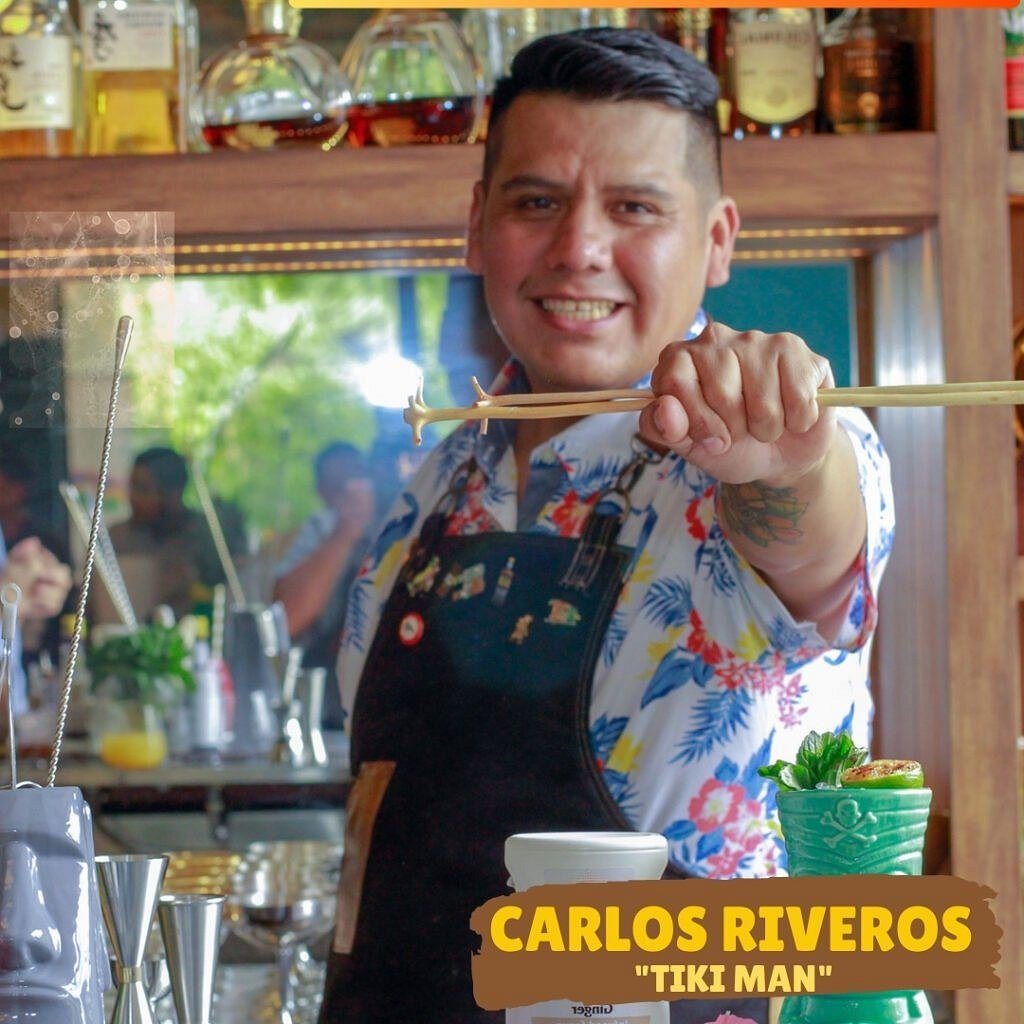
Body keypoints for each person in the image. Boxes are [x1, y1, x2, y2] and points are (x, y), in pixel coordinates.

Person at [320, 28, 893, 1024]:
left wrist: (786, 459)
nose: (579, 248)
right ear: (477, 227)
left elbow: (806, 528)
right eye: (536, 202)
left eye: (634, 207)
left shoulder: (770, 445)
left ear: (717, 240)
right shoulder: (436, 478)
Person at [271, 442, 376, 729]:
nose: (353, 490)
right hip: (324, 710)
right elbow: (286, 618)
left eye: (359, 475)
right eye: (339, 484)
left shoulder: (406, 525)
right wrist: (346, 532)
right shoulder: (319, 530)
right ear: (321, 490)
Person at [103, 446, 244, 622]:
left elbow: (224, 590)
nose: (133, 497)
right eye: (132, 487)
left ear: (173, 493)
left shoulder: (203, 535)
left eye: (144, 489)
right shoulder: (117, 537)